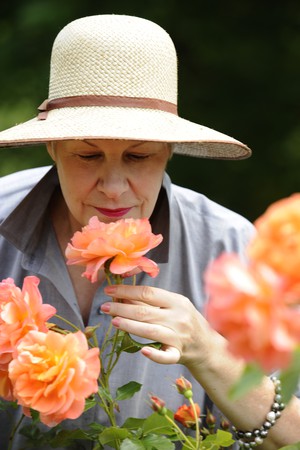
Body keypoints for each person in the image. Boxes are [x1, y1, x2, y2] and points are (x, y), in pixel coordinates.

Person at [0, 14, 299, 450]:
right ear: (52, 146)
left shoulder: (234, 252)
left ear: (169, 152)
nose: (114, 186)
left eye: (139, 158)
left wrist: (206, 350)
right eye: (88, 156)